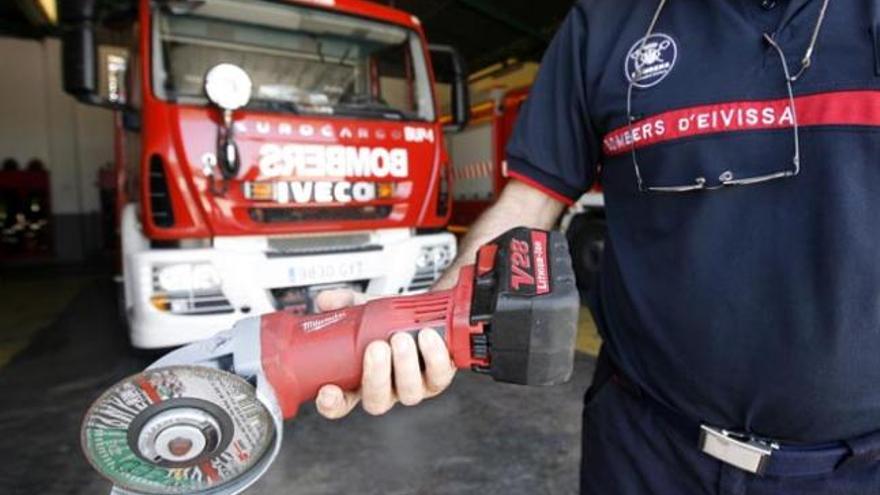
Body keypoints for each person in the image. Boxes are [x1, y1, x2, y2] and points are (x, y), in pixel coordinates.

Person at [315, 0, 880, 493]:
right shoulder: (605, 22)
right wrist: (413, 326)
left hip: (856, 469)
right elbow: (528, 206)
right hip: (644, 452)